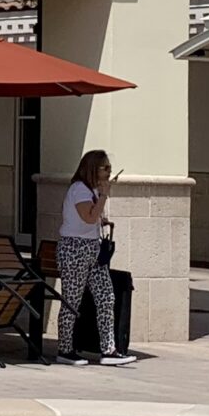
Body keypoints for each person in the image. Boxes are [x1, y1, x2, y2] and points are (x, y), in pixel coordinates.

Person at [57, 149, 132, 366]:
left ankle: (109, 349)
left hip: (92, 248)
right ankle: (65, 348)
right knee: (72, 300)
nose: (109, 172)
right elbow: (88, 217)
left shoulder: (91, 191)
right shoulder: (79, 190)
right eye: (105, 168)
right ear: (93, 168)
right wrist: (104, 196)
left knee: (106, 296)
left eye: (110, 168)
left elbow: (92, 218)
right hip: (75, 248)